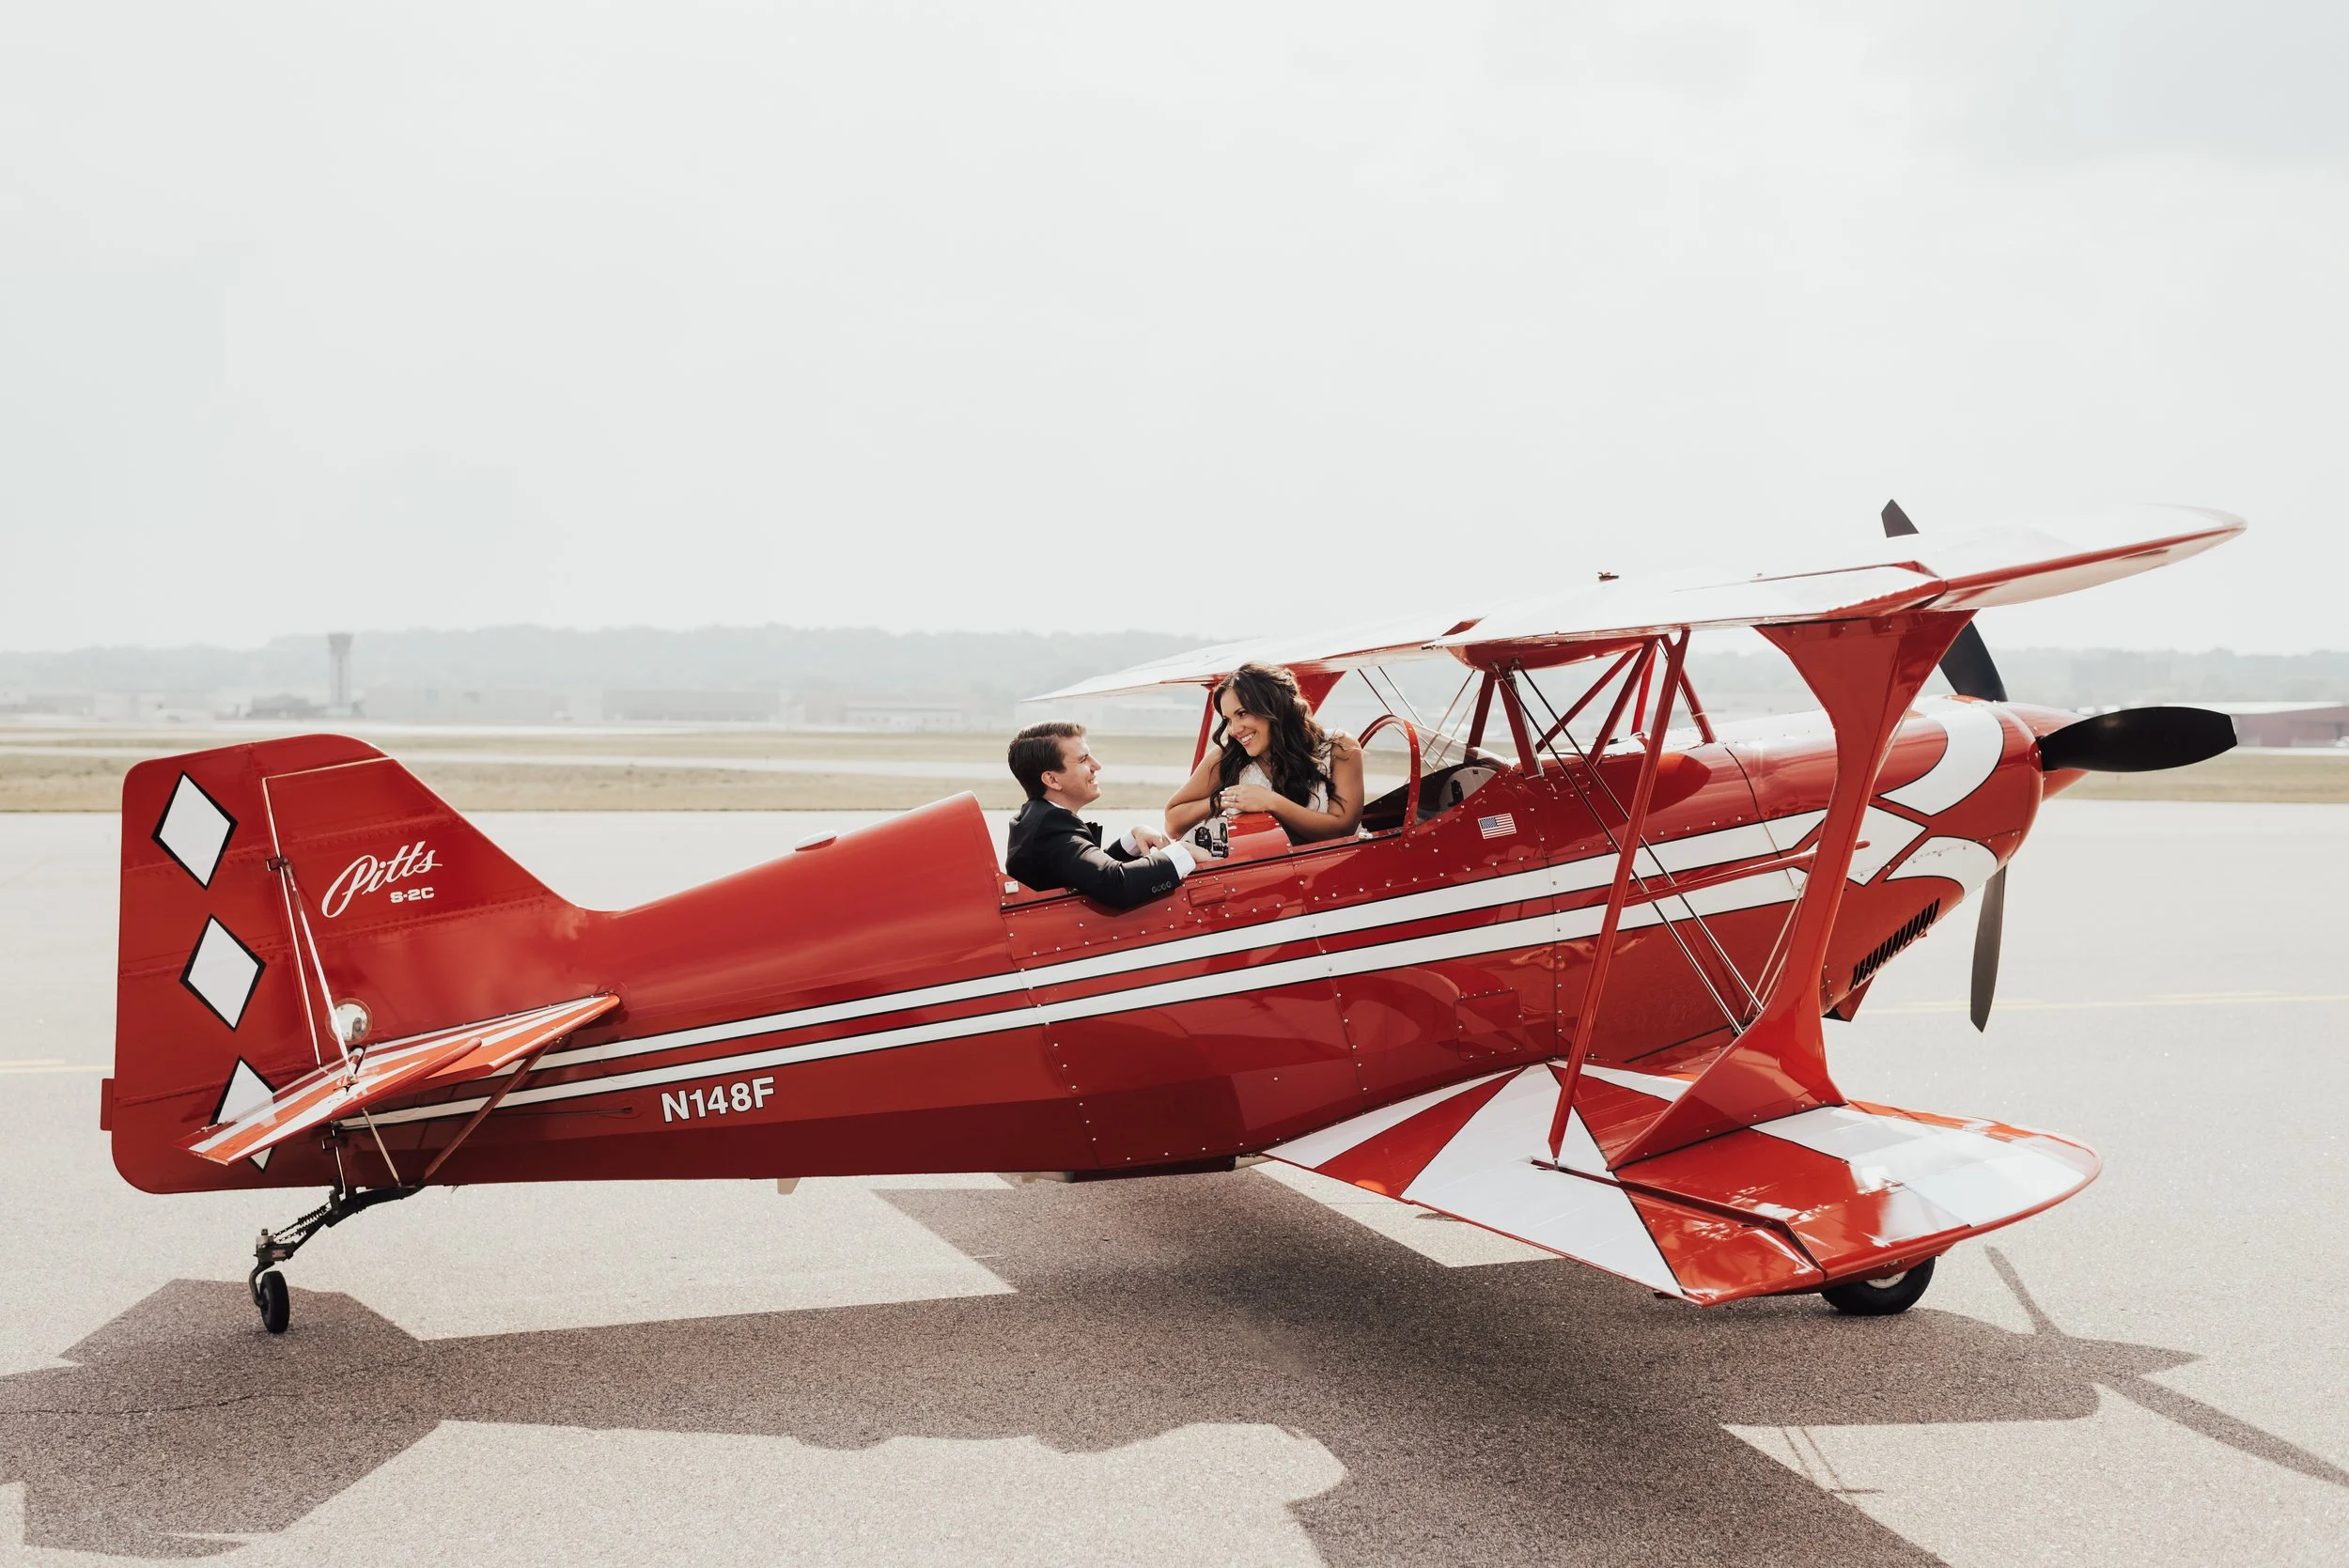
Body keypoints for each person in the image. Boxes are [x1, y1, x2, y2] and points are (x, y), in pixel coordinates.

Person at [1004, 721, 1204, 907]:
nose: (1096, 765)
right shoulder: (1050, 829)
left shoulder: (1034, 818)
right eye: (1083, 760)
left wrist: (1132, 840)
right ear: (1052, 780)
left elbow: (1085, 873)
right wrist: (1182, 852)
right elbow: (1115, 884)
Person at [1165, 662, 1364, 846]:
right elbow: (1172, 822)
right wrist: (1224, 799)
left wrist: (1271, 802)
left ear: (1274, 707)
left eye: (1242, 713)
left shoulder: (1339, 747)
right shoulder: (1227, 756)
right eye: (1228, 719)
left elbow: (1342, 830)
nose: (1234, 730)